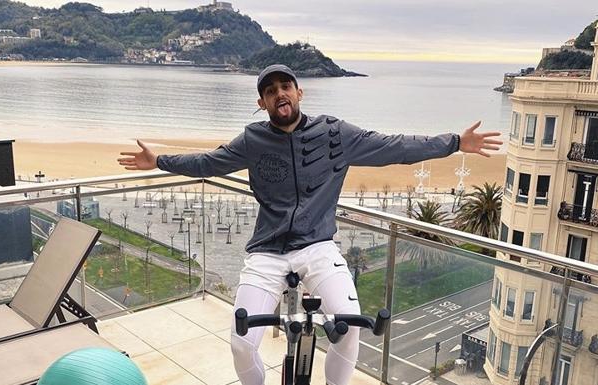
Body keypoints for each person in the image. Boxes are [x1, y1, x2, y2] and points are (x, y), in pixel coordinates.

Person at [117, 64, 502, 385]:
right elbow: (208, 162)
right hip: (266, 252)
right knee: (240, 342)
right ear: (261, 102)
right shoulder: (252, 139)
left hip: (319, 247)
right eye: (270, 90)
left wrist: (454, 142)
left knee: (349, 329)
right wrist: (160, 161)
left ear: (300, 93)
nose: (279, 93)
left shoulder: (335, 133)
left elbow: (395, 147)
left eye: (285, 86)